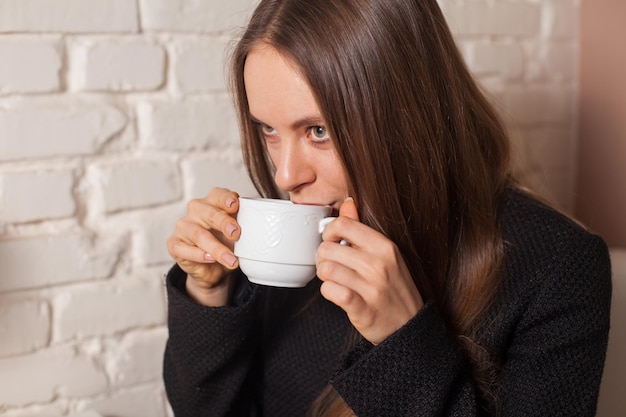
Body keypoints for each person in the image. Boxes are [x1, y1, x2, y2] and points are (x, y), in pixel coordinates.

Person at [163, 0, 612, 416]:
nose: (285, 176)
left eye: (318, 130)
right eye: (268, 129)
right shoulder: (292, 238)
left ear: (406, 112)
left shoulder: (559, 267)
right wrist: (209, 293)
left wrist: (403, 340)